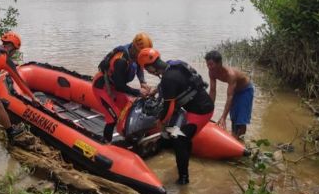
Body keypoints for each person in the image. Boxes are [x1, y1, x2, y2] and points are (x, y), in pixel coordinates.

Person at [137, 48, 214, 185]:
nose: (149, 72)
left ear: (151, 67)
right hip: (200, 105)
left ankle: (183, 179)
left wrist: (160, 121)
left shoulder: (168, 79)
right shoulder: (173, 66)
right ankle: (183, 149)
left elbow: (169, 108)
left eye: (147, 70)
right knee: (179, 135)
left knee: (179, 140)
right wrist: (156, 90)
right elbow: (173, 84)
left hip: (201, 112)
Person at [92, 32, 153, 143]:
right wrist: (138, 92)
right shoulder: (121, 60)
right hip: (102, 87)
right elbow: (120, 86)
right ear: (134, 47)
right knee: (112, 118)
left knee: (129, 108)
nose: (141, 57)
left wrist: (142, 82)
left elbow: (139, 67)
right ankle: (106, 143)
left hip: (114, 86)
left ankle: (131, 135)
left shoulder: (135, 54)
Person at [205, 50, 254, 139]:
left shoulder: (231, 74)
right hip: (235, 91)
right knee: (234, 116)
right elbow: (212, 91)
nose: (209, 67)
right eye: (207, 64)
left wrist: (223, 117)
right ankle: (234, 137)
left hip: (245, 90)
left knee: (241, 118)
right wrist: (209, 111)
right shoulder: (211, 72)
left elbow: (229, 97)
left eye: (211, 64)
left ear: (219, 63)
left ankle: (240, 140)